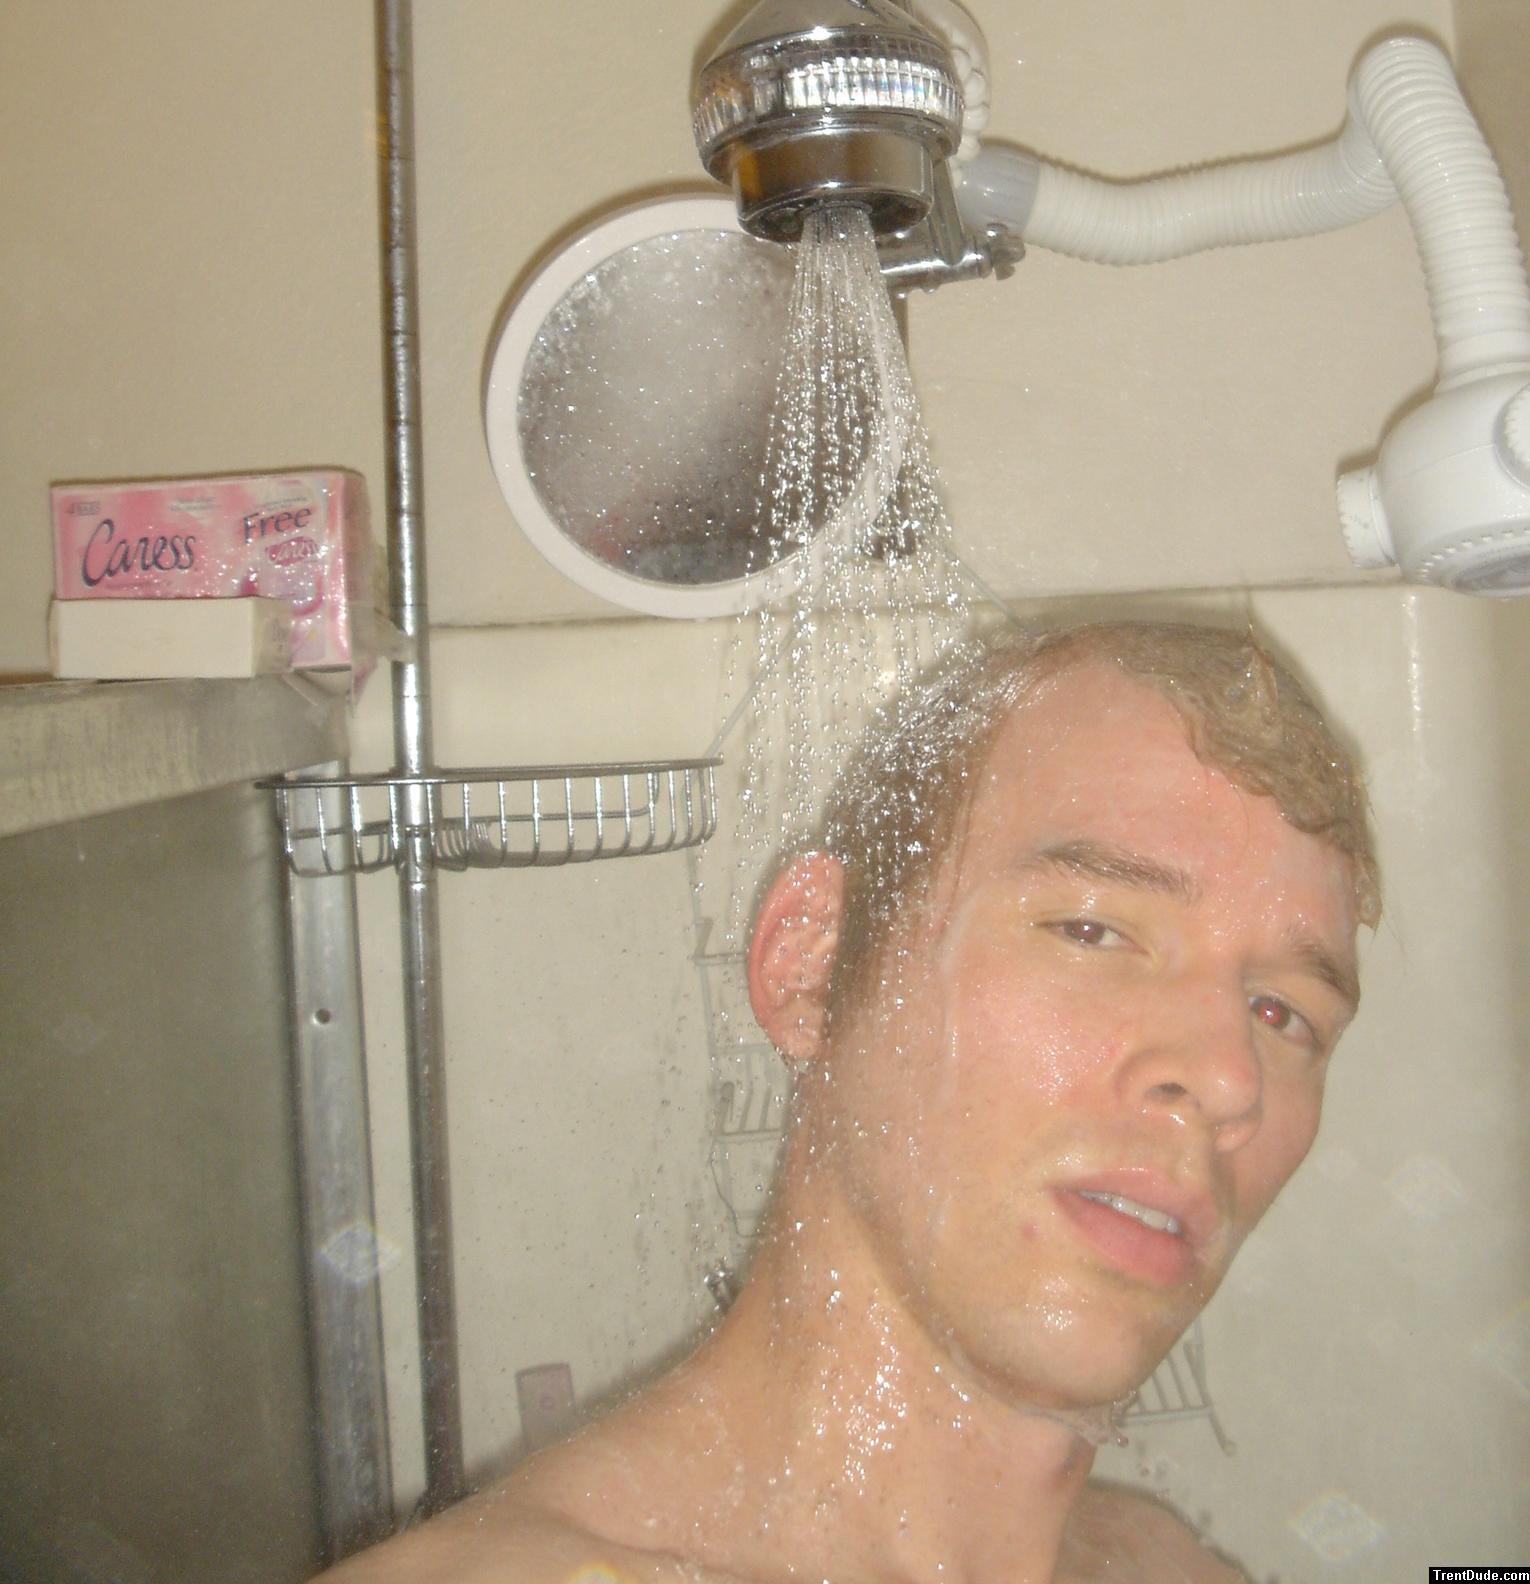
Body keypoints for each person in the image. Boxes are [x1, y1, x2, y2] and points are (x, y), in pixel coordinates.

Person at [324, 619, 1378, 1583]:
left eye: (1283, 1012)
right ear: (811, 967)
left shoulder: (1170, 1567)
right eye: (1092, 930)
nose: (1230, 1078)